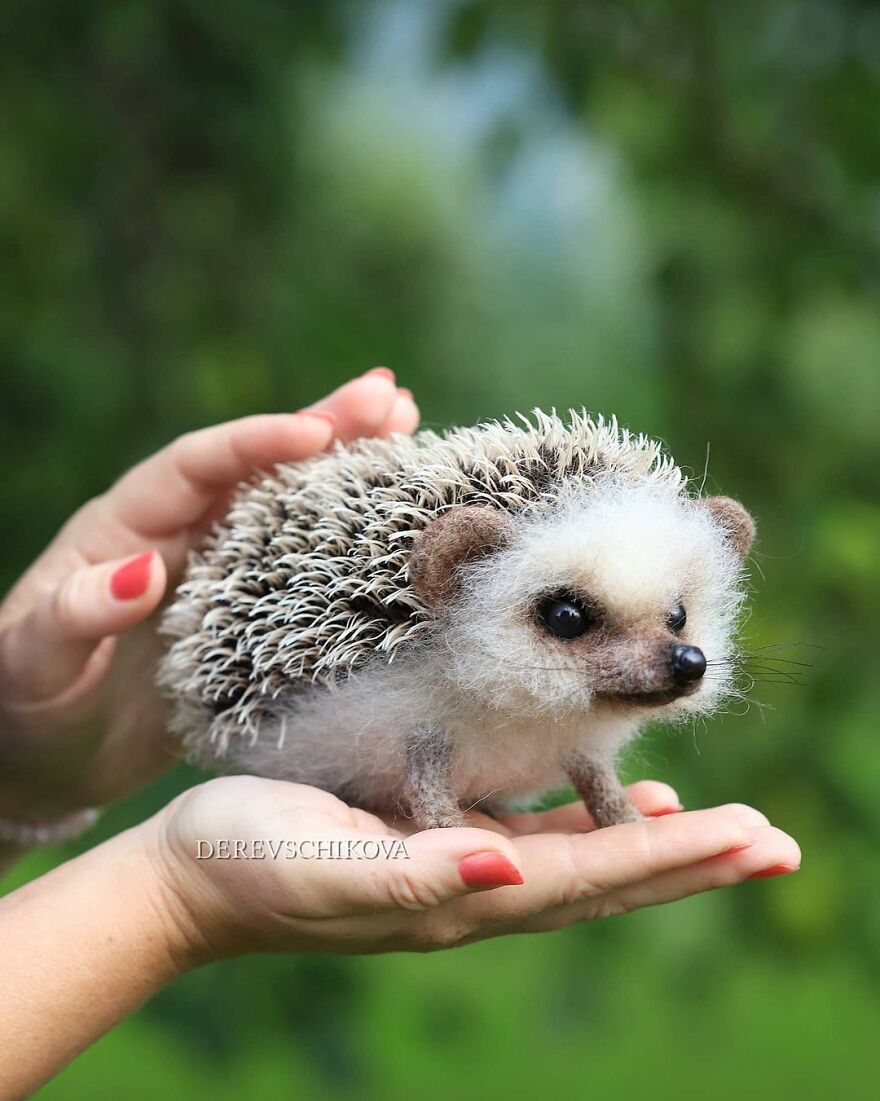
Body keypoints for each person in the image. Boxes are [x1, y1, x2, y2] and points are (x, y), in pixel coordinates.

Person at [0, 369, 800, 1098]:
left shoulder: (582, 701)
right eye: (570, 619)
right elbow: (428, 746)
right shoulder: (429, 675)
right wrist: (171, 898)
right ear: (453, 578)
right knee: (428, 739)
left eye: (673, 620)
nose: (667, 658)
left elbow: (586, 753)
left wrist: (18, 784)